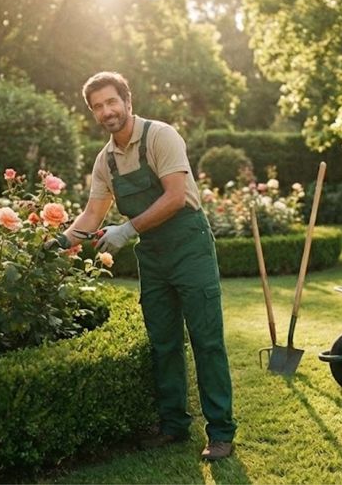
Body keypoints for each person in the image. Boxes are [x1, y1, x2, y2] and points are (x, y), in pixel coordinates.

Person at [51, 71, 236, 461]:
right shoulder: (105, 162)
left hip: (189, 246)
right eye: (98, 107)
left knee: (206, 340)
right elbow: (92, 214)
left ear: (127, 101)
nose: (106, 111)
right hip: (153, 255)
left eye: (111, 102)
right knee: (163, 342)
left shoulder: (160, 136)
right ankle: (173, 426)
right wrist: (60, 241)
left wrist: (127, 230)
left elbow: (175, 197)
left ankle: (220, 432)